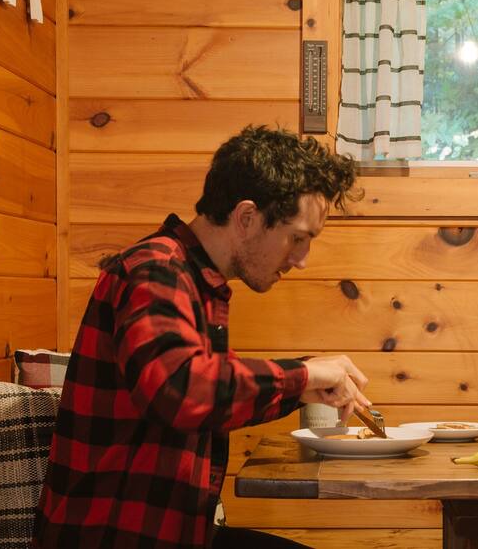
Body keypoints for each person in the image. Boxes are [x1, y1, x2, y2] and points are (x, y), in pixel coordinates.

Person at [34, 126, 368, 549]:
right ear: (247, 217)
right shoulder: (155, 270)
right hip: (112, 535)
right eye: (297, 238)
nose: (301, 259)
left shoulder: (194, 280)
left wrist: (305, 387)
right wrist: (302, 376)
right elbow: (178, 390)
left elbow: (212, 389)